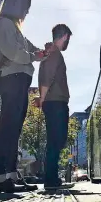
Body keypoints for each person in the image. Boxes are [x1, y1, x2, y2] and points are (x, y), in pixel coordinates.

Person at [0, 0, 49, 193]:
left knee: (13, 128)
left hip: (18, 80)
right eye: (26, 8)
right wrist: (34, 56)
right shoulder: (5, 24)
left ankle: (10, 175)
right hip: (12, 79)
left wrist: (40, 54)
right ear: (17, 6)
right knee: (8, 128)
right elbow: (14, 53)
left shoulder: (13, 27)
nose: (27, 12)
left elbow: (30, 51)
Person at [37, 24, 72, 187]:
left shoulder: (51, 53)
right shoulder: (54, 53)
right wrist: (42, 98)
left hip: (54, 102)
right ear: (64, 36)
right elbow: (47, 77)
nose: (68, 43)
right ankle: (50, 179)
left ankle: (51, 177)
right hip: (55, 102)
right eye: (68, 39)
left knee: (57, 139)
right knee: (56, 139)